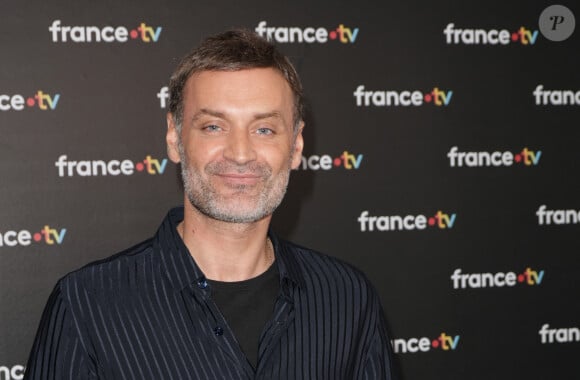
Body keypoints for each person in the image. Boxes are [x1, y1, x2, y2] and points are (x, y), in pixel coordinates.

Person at [25, 29, 395, 379]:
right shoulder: (87, 306)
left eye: (264, 129)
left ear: (296, 146)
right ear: (174, 137)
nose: (239, 153)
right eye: (214, 126)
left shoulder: (347, 298)